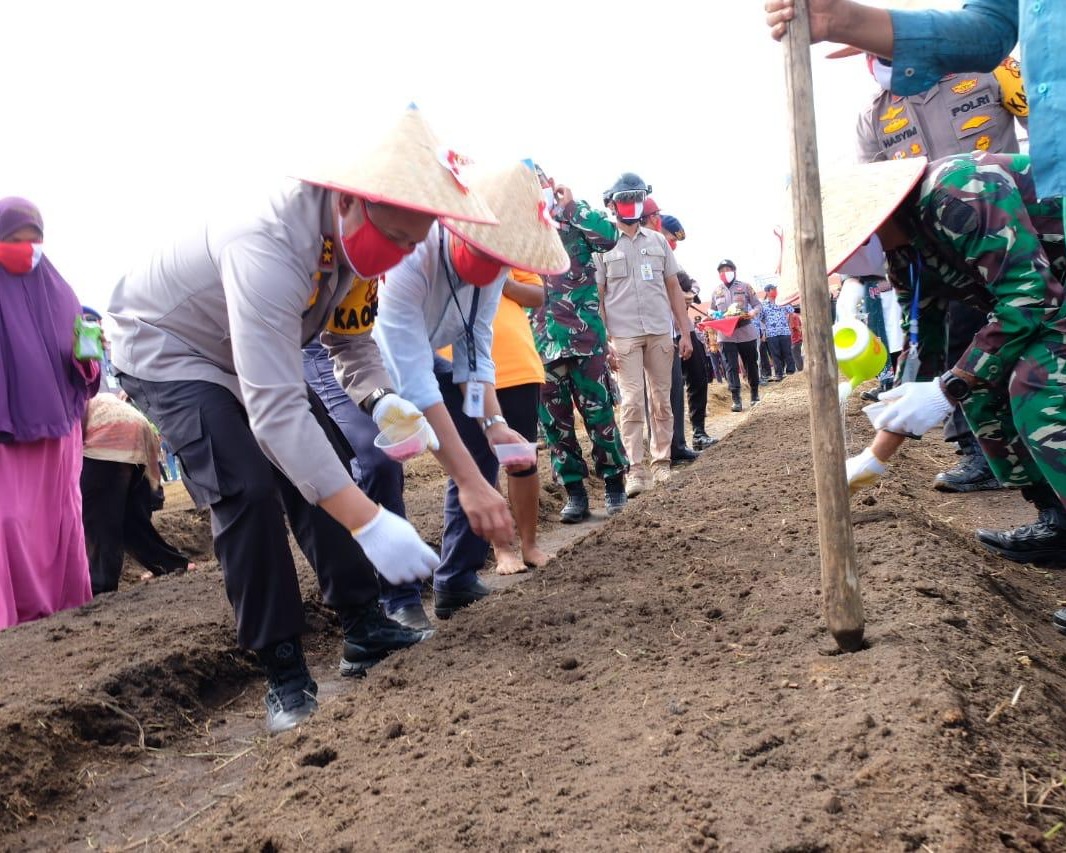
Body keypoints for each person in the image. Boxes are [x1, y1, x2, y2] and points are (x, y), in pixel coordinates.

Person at [104, 106, 498, 733]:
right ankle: (282, 667)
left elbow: (351, 343)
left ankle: (364, 626)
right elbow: (275, 411)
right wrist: (369, 522)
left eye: (413, 242)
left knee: (325, 469)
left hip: (252, 350)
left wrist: (378, 399)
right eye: (395, 237)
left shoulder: (353, 243)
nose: (401, 254)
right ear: (349, 201)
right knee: (247, 489)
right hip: (172, 350)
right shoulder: (267, 240)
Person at [818, 154, 1065, 570]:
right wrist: (874, 457)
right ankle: (1058, 522)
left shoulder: (957, 192)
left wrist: (949, 386)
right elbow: (923, 354)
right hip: (1046, 298)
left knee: (1035, 386)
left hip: (1047, 293)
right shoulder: (905, 256)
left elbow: (1030, 295)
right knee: (981, 396)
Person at [365, 160, 569, 619]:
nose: (493, 265)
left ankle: (455, 579)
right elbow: (414, 380)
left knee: (477, 446)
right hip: (367, 357)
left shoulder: (495, 272)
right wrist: (471, 483)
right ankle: (393, 601)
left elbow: (475, 348)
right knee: (381, 462)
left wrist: (494, 423)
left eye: (502, 258)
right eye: (485, 250)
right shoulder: (412, 257)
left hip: (426, 356)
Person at [764, 0, 1065, 202]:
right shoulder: (872, 118)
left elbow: (1048, 135)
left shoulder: (997, 72)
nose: (880, 55)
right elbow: (874, 197)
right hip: (935, 255)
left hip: (1018, 234)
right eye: (869, 47)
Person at [0, 197, 100, 630]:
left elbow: (86, 371)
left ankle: (68, 606)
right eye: (13, 240)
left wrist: (87, 357)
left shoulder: (61, 294)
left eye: (33, 239)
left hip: (58, 436)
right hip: (7, 435)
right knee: (9, 521)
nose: (26, 248)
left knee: (62, 519)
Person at [532, 165, 629, 522]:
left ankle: (614, 485)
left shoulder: (574, 216)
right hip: (541, 342)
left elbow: (609, 238)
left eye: (539, 183)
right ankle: (574, 492)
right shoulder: (521, 229)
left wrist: (571, 208)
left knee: (599, 414)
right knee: (555, 425)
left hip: (585, 338)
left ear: (550, 184)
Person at [596, 173, 693, 496]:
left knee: (661, 400)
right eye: (625, 200)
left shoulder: (658, 241)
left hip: (659, 332)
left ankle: (661, 462)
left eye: (636, 199)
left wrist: (685, 332)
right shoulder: (603, 246)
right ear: (612, 204)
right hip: (623, 337)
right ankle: (635, 470)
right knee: (633, 402)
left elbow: (673, 289)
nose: (631, 205)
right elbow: (599, 296)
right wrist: (604, 340)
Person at [80, 394, 193, 594]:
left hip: (106, 434)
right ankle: (172, 564)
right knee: (130, 520)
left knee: (99, 519)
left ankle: (101, 586)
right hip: (137, 429)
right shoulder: (87, 396)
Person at [708, 259, 762, 412]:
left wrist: (752, 312)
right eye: (722, 270)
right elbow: (711, 310)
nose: (725, 273)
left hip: (745, 331)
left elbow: (757, 304)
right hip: (726, 334)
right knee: (730, 367)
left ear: (734, 270)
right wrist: (712, 313)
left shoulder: (745, 287)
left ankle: (754, 394)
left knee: (751, 364)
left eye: (728, 269)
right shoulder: (716, 291)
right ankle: (736, 399)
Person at [760, 283, 796, 380]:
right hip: (771, 333)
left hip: (784, 331)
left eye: (776, 289)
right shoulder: (763, 305)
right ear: (767, 292)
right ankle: (779, 374)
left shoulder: (783, 301)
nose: (775, 291)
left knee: (787, 352)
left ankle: (791, 372)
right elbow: (760, 318)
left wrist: (790, 326)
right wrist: (765, 330)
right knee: (775, 354)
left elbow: (791, 313)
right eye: (773, 289)